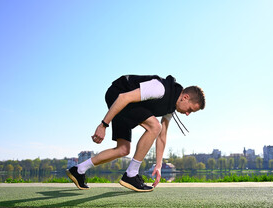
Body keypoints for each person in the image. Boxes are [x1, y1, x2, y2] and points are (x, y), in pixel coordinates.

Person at [66, 75, 205, 192]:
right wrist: (103, 125)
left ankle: (78, 170)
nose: (187, 114)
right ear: (185, 97)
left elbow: (162, 137)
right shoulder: (160, 88)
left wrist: (158, 165)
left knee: (123, 149)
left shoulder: (170, 107)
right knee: (154, 126)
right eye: (190, 110)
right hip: (118, 94)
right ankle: (131, 175)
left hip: (127, 103)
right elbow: (123, 98)